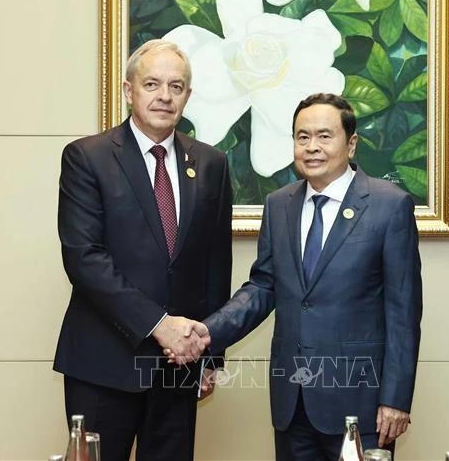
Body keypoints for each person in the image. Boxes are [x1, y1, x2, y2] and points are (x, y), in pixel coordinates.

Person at [172, 93, 422, 460]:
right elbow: (263, 286)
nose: (312, 147)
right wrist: (208, 332)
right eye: (302, 137)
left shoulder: (389, 205)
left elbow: (403, 312)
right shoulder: (279, 204)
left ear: (350, 144)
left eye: (324, 136)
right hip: (293, 402)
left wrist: (395, 400)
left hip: (362, 404)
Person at [53, 39, 231, 461]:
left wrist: (210, 356)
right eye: (152, 83)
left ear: (188, 95)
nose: (164, 96)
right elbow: (84, 258)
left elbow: (214, 265)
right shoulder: (87, 157)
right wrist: (159, 324)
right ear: (128, 90)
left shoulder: (211, 163)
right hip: (103, 363)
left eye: (176, 86)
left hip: (178, 368)